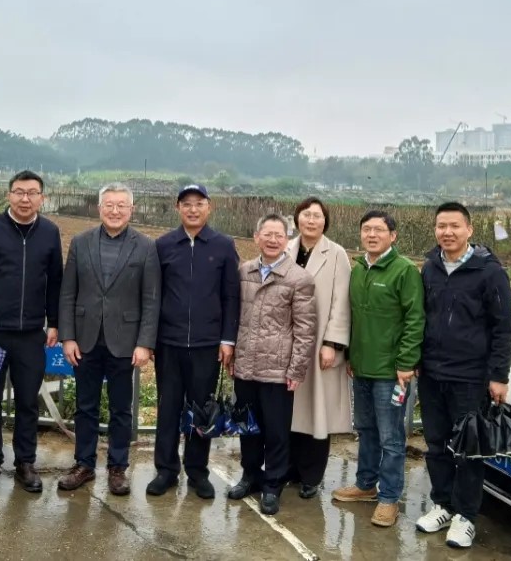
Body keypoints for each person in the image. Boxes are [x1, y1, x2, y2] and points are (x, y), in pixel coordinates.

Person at [415, 201, 511, 549]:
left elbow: (504, 328)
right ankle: (443, 504)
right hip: (432, 373)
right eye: (441, 226)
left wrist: (499, 376)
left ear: (469, 230)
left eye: (454, 226)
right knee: (436, 443)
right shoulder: (430, 268)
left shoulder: (490, 272)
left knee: (469, 449)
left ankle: (466, 516)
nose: (447, 232)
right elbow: (422, 317)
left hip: (470, 378)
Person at [0, 169, 63, 494]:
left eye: (32, 193)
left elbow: (55, 282)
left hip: (31, 333)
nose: (25, 199)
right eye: (19, 192)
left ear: (42, 198)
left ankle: (25, 462)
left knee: (28, 402)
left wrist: (54, 322)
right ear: (9, 195)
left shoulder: (50, 232)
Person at [56, 183, 161, 496]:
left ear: (131, 209)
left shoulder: (145, 246)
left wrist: (145, 343)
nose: (115, 211)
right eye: (109, 205)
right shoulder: (81, 242)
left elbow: (151, 299)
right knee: (85, 406)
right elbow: (68, 294)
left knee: (121, 409)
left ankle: (117, 467)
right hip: (85, 339)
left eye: (121, 206)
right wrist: (67, 337)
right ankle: (84, 464)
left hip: (124, 341)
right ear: (99, 208)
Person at [331, 210, 424, 528]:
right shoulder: (358, 269)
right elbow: (353, 317)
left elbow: (415, 319)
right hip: (361, 368)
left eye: (379, 230)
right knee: (366, 430)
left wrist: (406, 362)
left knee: (391, 437)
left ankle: (389, 498)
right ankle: (365, 484)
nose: (371, 235)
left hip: (391, 373)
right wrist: (351, 357)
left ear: (392, 236)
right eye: (367, 229)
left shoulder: (404, 270)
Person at [148, 183, 240, 499]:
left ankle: (197, 471)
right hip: (169, 343)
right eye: (186, 203)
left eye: (199, 203)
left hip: (207, 344)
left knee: (201, 410)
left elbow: (231, 296)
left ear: (209, 207)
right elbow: (153, 295)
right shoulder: (163, 245)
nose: (192, 209)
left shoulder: (223, 246)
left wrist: (227, 339)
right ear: (178, 208)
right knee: (168, 407)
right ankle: (166, 470)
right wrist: (150, 339)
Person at [227, 213, 316, 515]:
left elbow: (305, 329)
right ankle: (250, 475)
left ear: (287, 240)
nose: (273, 240)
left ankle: (273, 484)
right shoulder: (244, 272)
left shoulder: (299, 278)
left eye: (279, 235)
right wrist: (233, 356)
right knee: (248, 426)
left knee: (277, 432)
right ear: (257, 237)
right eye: (267, 234)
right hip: (246, 365)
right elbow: (235, 317)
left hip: (278, 369)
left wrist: (297, 369)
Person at [284, 197, 352, 500]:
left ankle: (311, 475)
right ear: (297, 218)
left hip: (319, 345)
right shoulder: (286, 249)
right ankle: (288, 468)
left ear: (325, 222)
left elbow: (341, 302)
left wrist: (331, 343)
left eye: (317, 216)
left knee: (316, 410)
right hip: (288, 343)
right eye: (306, 215)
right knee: (289, 410)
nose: (311, 220)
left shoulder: (336, 254)